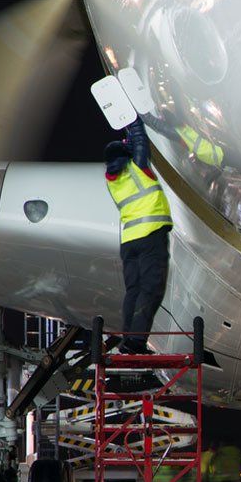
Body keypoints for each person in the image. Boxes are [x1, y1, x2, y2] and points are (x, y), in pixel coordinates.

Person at [104, 117, 173, 354]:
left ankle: (128, 341)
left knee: (133, 290)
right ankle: (135, 341)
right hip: (151, 236)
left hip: (129, 241)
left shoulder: (112, 180)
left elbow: (134, 146)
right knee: (151, 289)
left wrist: (127, 139)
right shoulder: (137, 169)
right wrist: (132, 121)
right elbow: (141, 142)